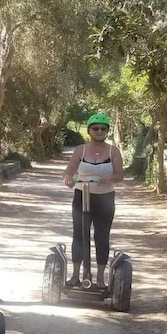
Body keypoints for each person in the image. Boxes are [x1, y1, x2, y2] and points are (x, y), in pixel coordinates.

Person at [61, 113, 125, 289]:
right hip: (82, 195)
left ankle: (100, 279)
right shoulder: (80, 150)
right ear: (89, 130)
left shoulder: (113, 151)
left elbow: (120, 175)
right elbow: (69, 170)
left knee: (102, 236)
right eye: (95, 128)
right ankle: (75, 276)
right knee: (79, 235)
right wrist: (67, 178)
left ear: (107, 131)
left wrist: (109, 178)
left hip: (104, 199)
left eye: (103, 129)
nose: (99, 131)